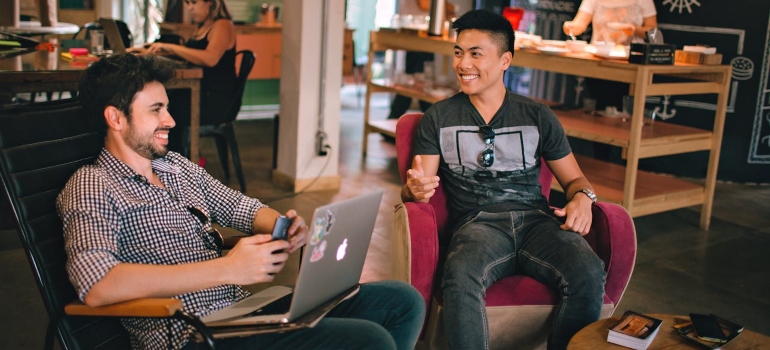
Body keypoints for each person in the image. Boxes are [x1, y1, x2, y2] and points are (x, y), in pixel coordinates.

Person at [57, 53, 425, 350]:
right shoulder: (93, 184)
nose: (170, 119)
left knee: (401, 300)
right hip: (192, 335)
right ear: (115, 117)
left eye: (167, 107)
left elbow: (239, 207)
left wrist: (282, 226)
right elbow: (97, 285)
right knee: (369, 340)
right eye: (156, 109)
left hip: (242, 314)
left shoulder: (174, 167)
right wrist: (227, 269)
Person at [401, 9, 605, 350]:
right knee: (461, 276)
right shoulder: (440, 117)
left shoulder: (537, 115)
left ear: (505, 60)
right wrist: (413, 189)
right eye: (458, 52)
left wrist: (584, 197)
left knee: (588, 270)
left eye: (476, 54)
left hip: (538, 222)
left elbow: (575, 180)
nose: (463, 64)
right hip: (477, 225)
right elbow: (418, 185)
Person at [132, 0, 237, 155]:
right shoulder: (202, 27)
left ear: (211, 3)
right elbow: (190, 55)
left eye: (194, 2)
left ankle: (171, 160)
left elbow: (210, 58)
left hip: (214, 100)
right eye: (188, 3)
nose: (190, 8)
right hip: (200, 92)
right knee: (158, 103)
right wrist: (145, 50)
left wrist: (171, 47)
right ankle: (161, 158)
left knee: (164, 108)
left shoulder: (222, 25)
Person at [562, 0, 658, 111]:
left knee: (625, 110)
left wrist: (635, 30)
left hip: (631, 63)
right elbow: (580, 24)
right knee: (597, 108)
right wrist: (570, 27)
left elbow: (653, 31)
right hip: (599, 61)